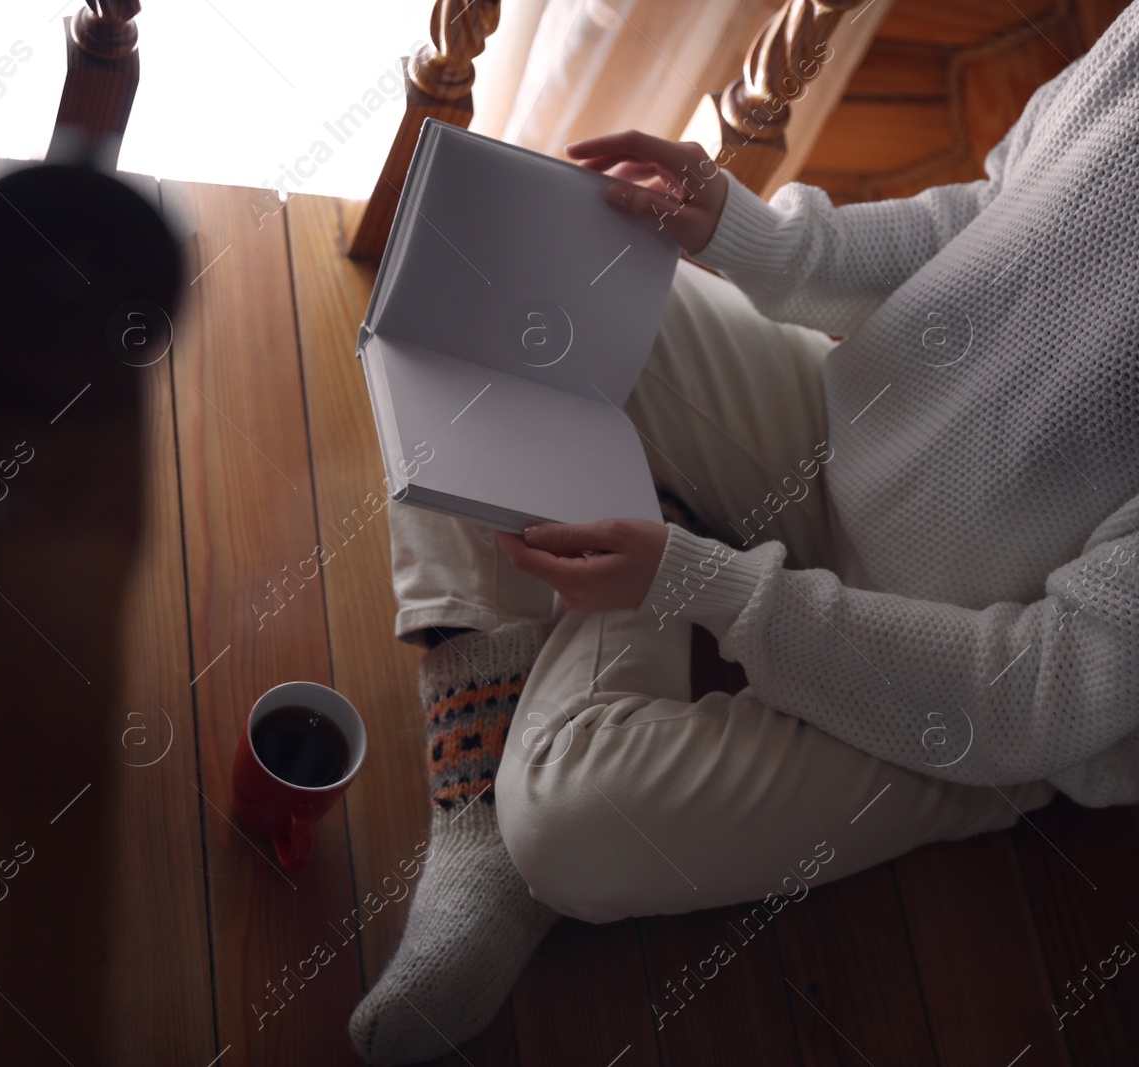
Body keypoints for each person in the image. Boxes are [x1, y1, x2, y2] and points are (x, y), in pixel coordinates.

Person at [348, 7, 1139, 1063]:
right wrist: (741, 231)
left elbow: (1037, 692)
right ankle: (472, 789)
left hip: (953, 695)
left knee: (566, 830)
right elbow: (992, 215)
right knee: (496, 268)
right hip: (842, 428)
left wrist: (702, 584)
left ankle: (602, 608)